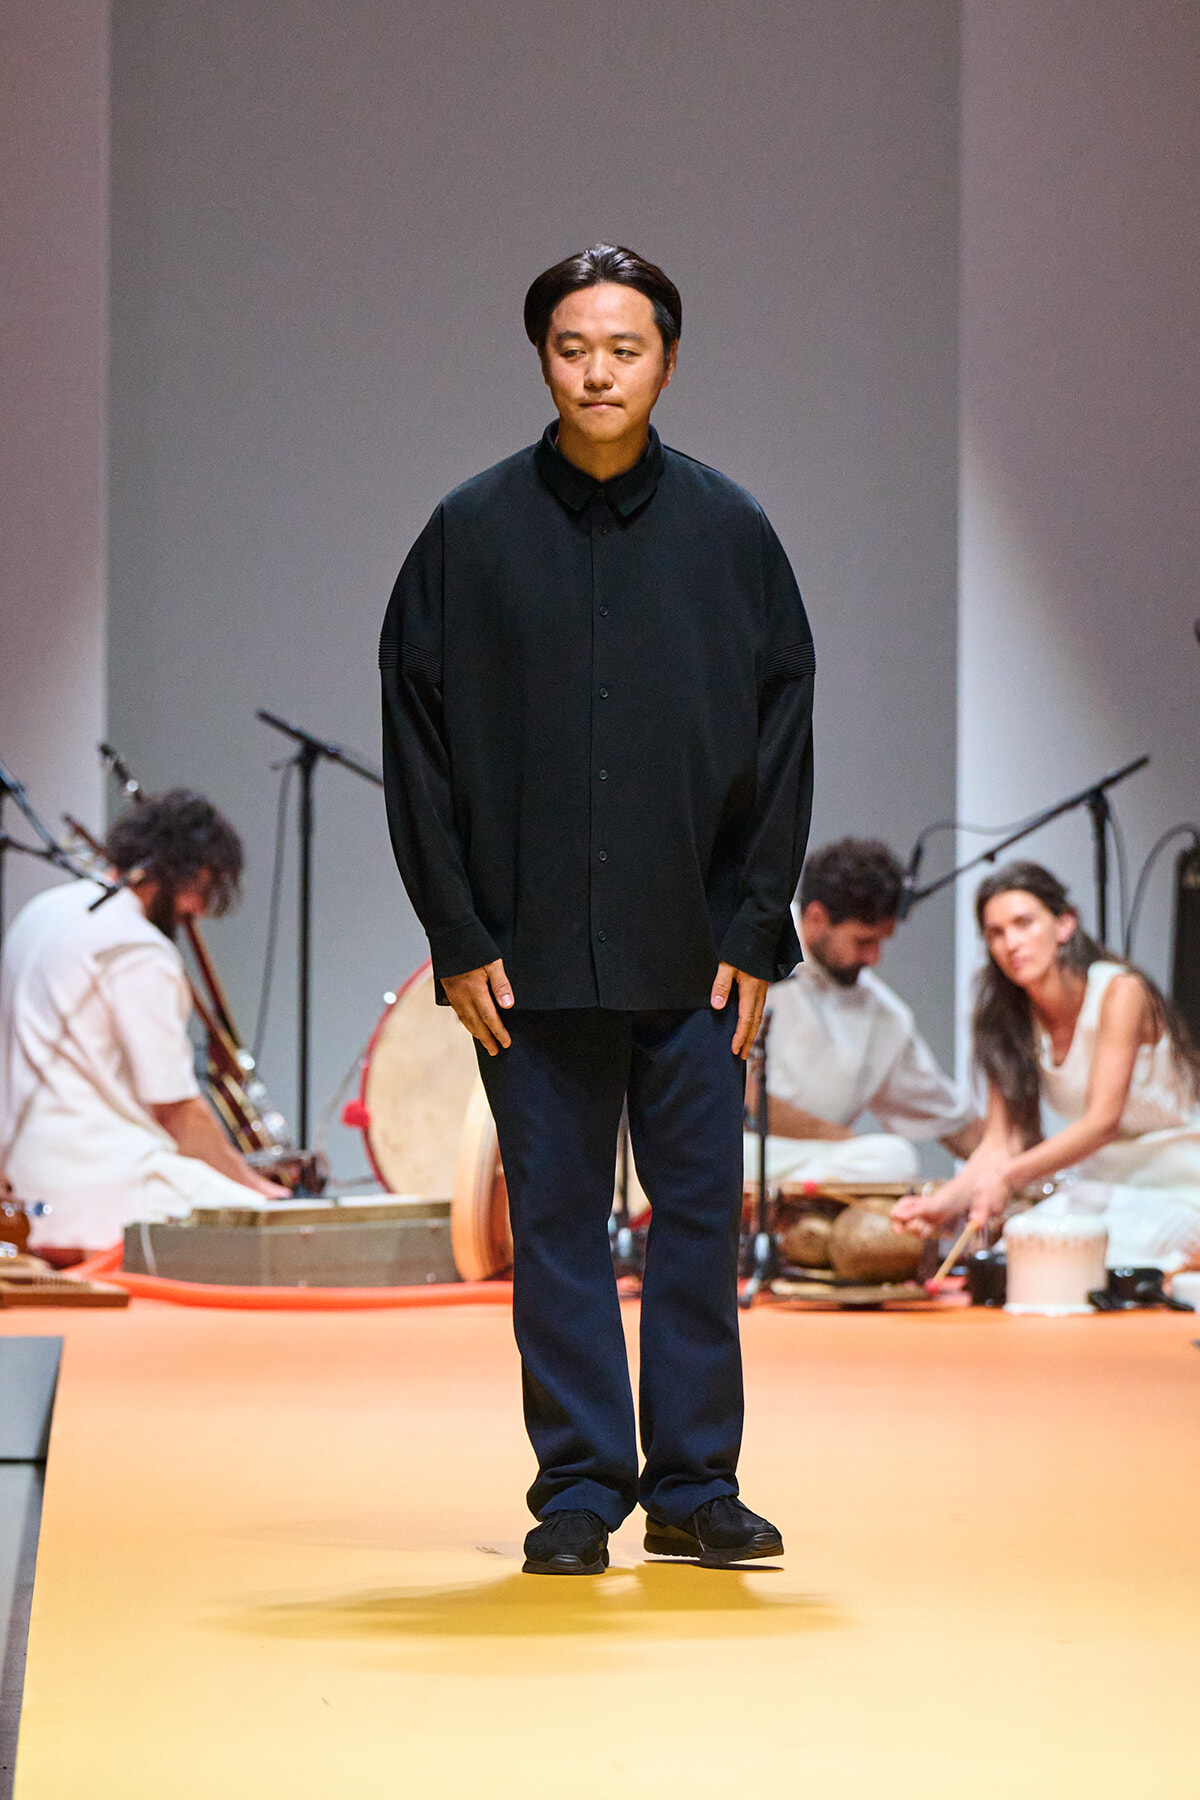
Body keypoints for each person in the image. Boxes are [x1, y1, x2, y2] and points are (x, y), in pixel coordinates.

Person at [380, 244, 814, 1574]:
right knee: (556, 1226)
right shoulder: (470, 530)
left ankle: (693, 1485)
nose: (599, 370)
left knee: (697, 1223)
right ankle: (579, 1490)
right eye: (574, 346)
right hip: (525, 962)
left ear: (667, 360)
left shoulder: (731, 532)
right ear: (542, 358)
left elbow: (784, 729)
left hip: (692, 953)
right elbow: (417, 744)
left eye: (625, 348)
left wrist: (755, 927)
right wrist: (457, 938)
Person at [0, 790, 288, 1252]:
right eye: (202, 887)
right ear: (184, 871)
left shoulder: (41, 912)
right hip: (107, 1192)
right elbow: (175, 1110)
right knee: (284, 1231)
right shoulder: (138, 948)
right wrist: (253, 1186)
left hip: (24, 1191)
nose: (196, 909)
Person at [892, 861, 1200, 1271]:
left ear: (1064, 925)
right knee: (1016, 1252)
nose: (1011, 943)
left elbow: (1102, 1123)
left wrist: (1008, 1178)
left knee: (1084, 1260)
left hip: (1179, 1190)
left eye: (1024, 923)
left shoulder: (1120, 992)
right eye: (996, 933)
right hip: (1104, 1189)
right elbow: (1002, 1143)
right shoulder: (1007, 1019)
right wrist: (941, 1204)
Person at [747, 839, 981, 1186]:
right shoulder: (750, 957)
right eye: (864, 941)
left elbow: (948, 1116)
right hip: (737, 1148)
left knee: (892, 1158)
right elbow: (744, 1096)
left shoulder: (884, 1015)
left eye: (882, 941)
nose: (874, 959)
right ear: (816, 919)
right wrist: (842, 1141)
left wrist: (1019, 1173)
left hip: (813, 1161)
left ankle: (793, 1201)